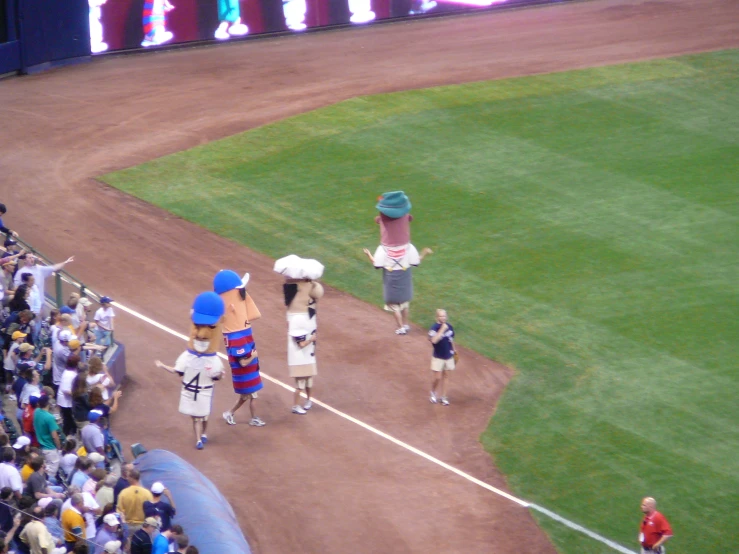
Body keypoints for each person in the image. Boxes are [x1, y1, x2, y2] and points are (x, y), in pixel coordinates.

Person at [156, 292, 225, 450]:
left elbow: (216, 376)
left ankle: (202, 436)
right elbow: (177, 370)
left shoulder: (205, 359)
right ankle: (200, 438)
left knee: (200, 416)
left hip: (199, 391)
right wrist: (163, 366)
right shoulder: (196, 358)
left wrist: (220, 374)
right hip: (199, 391)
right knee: (200, 416)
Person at [428, 309, 455, 406]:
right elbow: (433, 341)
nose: (443, 318)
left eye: (444, 316)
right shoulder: (434, 328)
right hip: (438, 356)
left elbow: (451, 339)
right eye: (441, 316)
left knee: (446, 375)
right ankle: (433, 392)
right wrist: (442, 329)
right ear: (437, 317)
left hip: (448, 356)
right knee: (438, 378)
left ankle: (444, 397)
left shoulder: (450, 327)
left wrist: (454, 350)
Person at [33, 395, 63, 480]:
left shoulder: (37, 411)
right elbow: (54, 436)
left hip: (41, 446)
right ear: (48, 403)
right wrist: (59, 447)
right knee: (51, 474)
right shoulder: (49, 417)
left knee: (45, 469)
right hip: (50, 448)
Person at [116, 469, 153, 536]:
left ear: (131, 478)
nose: (127, 479)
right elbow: (151, 511)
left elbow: (119, 511)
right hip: (142, 526)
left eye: (128, 477)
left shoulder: (123, 493)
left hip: (128, 525)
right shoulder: (147, 493)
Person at [58, 354, 81, 438]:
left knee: (69, 420)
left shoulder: (71, 372)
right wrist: (78, 395)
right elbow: (66, 390)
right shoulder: (69, 374)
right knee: (68, 421)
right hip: (65, 402)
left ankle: (70, 436)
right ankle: (66, 438)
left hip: (67, 401)